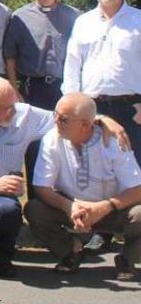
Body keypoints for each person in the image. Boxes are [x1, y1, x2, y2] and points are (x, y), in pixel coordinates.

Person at [0, 76, 127, 278]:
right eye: (8, 107)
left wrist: (103, 119)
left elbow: (65, 117)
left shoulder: (23, 114)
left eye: (15, 103)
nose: (15, 110)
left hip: (0, 199)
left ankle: (3, 256)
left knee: (8, 210)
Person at [26, 93, 141, 279]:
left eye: (63, 119)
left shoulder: (113, 141)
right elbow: (42, 187)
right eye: (55, 115)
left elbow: (138, 189)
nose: (56, 121)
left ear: (85, 125)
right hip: (73, 209)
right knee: (34, 209)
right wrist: (69, 206)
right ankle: (71, 251)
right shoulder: (52, 139)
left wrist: (105, 206)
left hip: (114, 209)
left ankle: (128, 259)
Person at [3, 0, 79, 196]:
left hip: (65, 90)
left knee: (68, 144)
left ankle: (67, 201)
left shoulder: (75, 16)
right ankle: (37, 202)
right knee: (34, 145)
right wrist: (15, 89)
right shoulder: (19, 17)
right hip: (32, 90)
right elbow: (10, 55)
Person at [63, 0, 141, 166]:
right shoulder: (83, 22)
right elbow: (72, 64)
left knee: (136, 167)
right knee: (96, 166)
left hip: (132, 108)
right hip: (92, 108)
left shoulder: (138, 20)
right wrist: (72, 104)